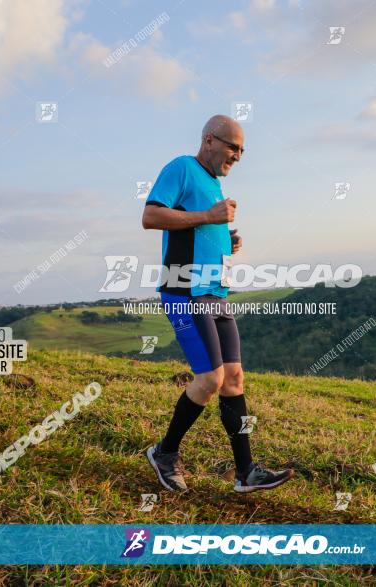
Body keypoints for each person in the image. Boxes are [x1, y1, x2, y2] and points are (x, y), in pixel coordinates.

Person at [141, 114, 294, 494]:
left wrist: (226, 238)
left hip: (216, 294)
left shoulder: (211, 183)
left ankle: (245, 472)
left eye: (242, 150)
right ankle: (164, 453)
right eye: (232, 146)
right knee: (210, 379)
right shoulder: (182, 167)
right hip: (184, 292)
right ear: (209, 139)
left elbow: (195, 227)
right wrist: (209, 217)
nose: (238, 156)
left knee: (234, 379)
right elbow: (151, 216)